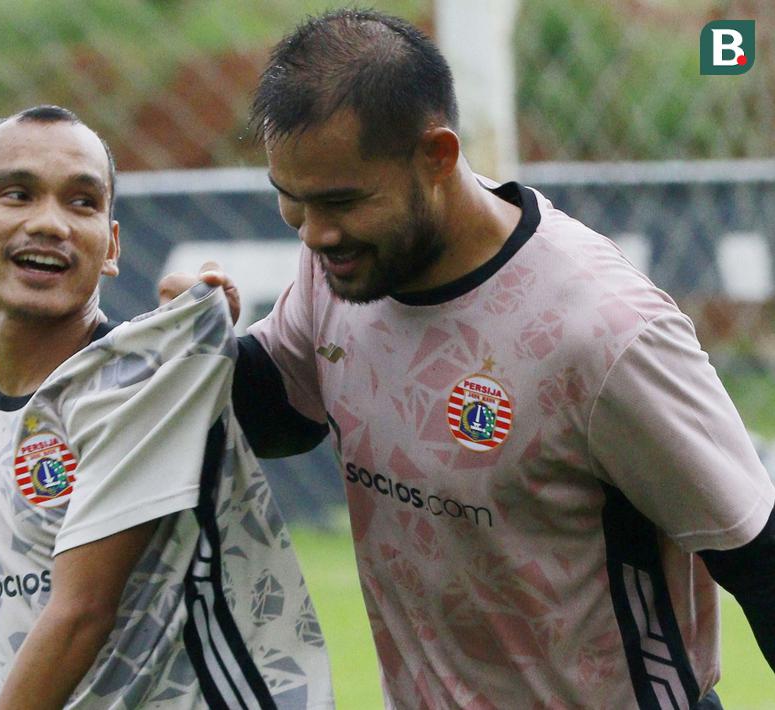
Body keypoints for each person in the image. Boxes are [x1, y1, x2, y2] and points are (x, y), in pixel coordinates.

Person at [164, 8, 775, 708]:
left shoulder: (604, 331)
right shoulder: (341, 265)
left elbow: (759, 556)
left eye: (340, 202)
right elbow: (285, 412)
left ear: (437, 156)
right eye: (291, 200)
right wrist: (195, 350)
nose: (316, 233)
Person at [0, 105, 333, 709]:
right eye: (18, 194)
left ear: (111, 246)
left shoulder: (139, 384)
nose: (50, 223)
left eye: (82, 203)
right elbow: (1, 623)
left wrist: (200, 320)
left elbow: (81, 613)